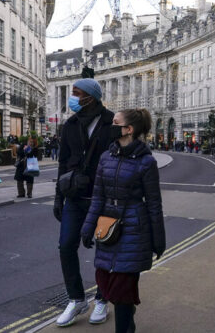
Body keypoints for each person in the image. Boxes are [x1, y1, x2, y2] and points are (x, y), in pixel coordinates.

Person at [81, 108, 166, 332]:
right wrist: (88, 227)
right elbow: (98, 195)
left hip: (134, 230)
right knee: (106, 280)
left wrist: (158, 241)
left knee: (123, 287)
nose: (111, 125)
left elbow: (154, 204)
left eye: (115, 122)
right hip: (108, 228)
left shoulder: (147, 162)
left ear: (128, 129)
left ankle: (125, 325)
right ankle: (127, 314)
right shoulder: (105, 157)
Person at [54, 78, 118, 327]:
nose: (73, 98)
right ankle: (77, 298)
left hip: (103, 199)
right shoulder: (70, 124)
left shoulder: (111, 122)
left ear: (91, 96)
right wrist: (59, 197)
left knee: (105, 249)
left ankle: (103, 298)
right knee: (66, 245)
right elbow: (63, 162)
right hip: (75, 197)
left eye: (77, 93)